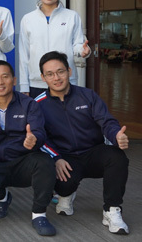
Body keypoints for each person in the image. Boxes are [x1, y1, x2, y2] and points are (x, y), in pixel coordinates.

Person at [35, 51, 129, 235]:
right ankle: (66, 194)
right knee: (63, 183)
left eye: (60, 71)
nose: (56, 78)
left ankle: (111, 210)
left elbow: (106, 121)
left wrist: (116, 135)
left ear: (69, 71)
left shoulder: (87, 95)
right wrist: (56, 158)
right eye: (50, 74)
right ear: (43, 78)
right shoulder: (38, 104)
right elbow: (40, 137)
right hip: (65, 158)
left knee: (117, 158)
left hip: (93, 152)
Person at [0, 60, 56, 237]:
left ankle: (39, 214)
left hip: (22, 161)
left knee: (45, 163)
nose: (0, 82)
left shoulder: (28, 104)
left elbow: (39, 132)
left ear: (14, 80)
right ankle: (2, 196)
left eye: (5, 77)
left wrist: (34, 139)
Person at [19, 0, 91, 98]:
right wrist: (24, 85)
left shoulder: (71, 16)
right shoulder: (28, 19)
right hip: (37, 83)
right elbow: (24, 55)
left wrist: (83, 51)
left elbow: (77, 45)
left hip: (64, 81)